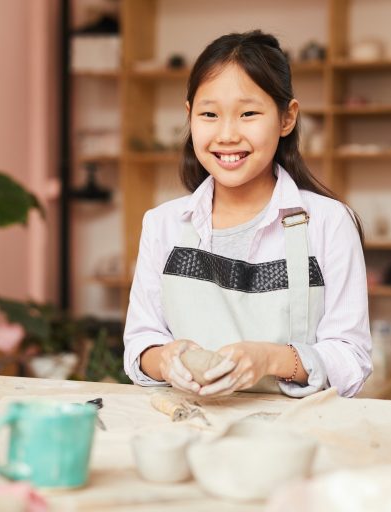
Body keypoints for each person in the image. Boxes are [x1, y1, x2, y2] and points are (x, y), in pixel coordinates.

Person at [123, 30, 371, 398]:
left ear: (287, 118)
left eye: (248, 114)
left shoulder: (330, 223)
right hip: (189, 426)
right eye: (209, 114)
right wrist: (166, 359)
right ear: (190, 118)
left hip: (292, 440)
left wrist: (270, 359)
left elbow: (352, 360)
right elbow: (142, 343)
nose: (226, 134)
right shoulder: (163, 224)